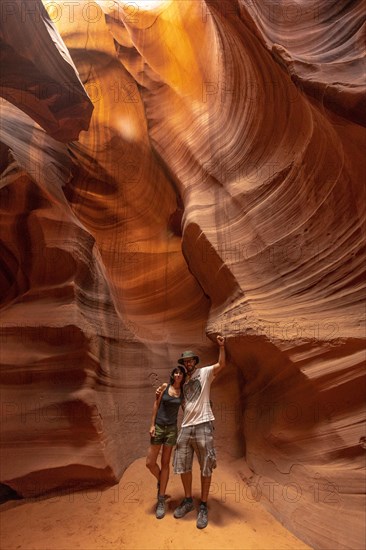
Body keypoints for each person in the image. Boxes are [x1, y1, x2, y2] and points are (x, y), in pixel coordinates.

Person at [157, 334, 226, 529]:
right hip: (186, 428)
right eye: (185, 361)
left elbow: (221, 365)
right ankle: (188, 500)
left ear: (195, 362)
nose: (188, 363)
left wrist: (221, 346)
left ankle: (203, 505)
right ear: (183, 364)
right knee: (183, 465)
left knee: (206, 464)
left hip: (203, 424)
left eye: (190, 360)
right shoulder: (183, 383)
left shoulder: (204, 373)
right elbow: (171, 395)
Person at [146, 365, 186, 519]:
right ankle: (160, 480)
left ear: (182, 377)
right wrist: (152, 424)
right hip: (159, 427)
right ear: (173, 375)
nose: (178, 375)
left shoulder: (182, 393)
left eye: (180, 373)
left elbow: (186, 410)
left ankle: (161, 499)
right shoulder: (164, 387)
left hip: (171, 430)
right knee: (150, 463)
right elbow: (156, 404)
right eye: (176, 372)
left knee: (165, 463)